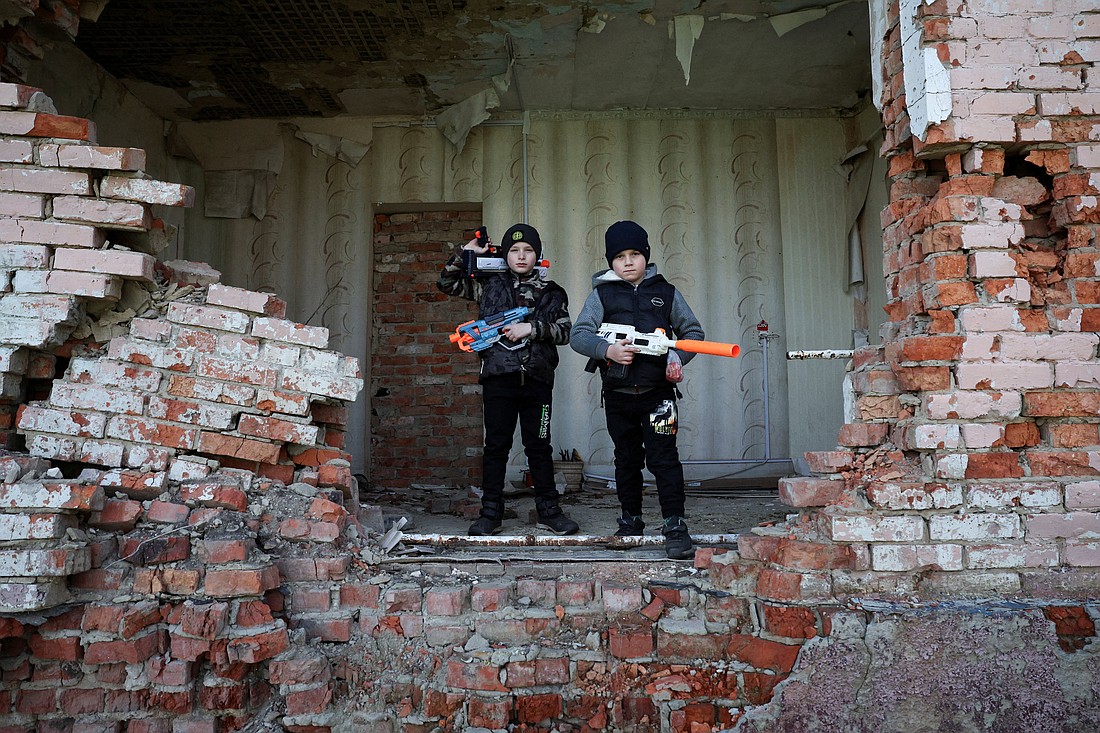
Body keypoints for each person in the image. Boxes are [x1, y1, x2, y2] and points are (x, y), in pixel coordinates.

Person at [569, 220, 702, 559]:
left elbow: (693, 333)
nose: (628, 262)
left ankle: (675, 525)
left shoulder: (666, 292)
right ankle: (631, 521)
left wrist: (676, 357)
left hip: (659, 396)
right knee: (626, 460)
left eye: (634, 254)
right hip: (618, 397)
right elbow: (579, 335)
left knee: (664, 460)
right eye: (619, 257)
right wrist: (608, 351)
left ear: (646, 256)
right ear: (610, 261)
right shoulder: (601, 294)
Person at [438, 223, 580, 536]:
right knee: (496, 447)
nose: (521, 256)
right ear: (505, 255)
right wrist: (466, 252)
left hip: (537, 380)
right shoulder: (488, 285)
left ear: (537, 254)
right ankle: (490, 513)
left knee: (539, 446)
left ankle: (549, 511)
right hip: (498, 378)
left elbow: (566, 332)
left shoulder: (553, 292)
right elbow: (446, 282)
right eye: (514, 250)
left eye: (528, 250)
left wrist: (532, 328)